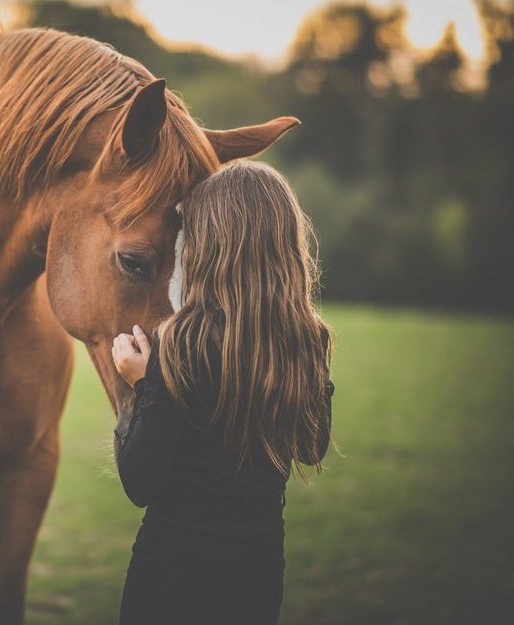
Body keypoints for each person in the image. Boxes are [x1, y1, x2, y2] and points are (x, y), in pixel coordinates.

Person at [110, 160, 335, 625]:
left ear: (209, 244)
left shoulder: (180, 343)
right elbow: (311, 448)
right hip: (258, 575)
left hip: (171, 577)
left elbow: (141, 482)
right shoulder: (307, 339)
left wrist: (140, 384)